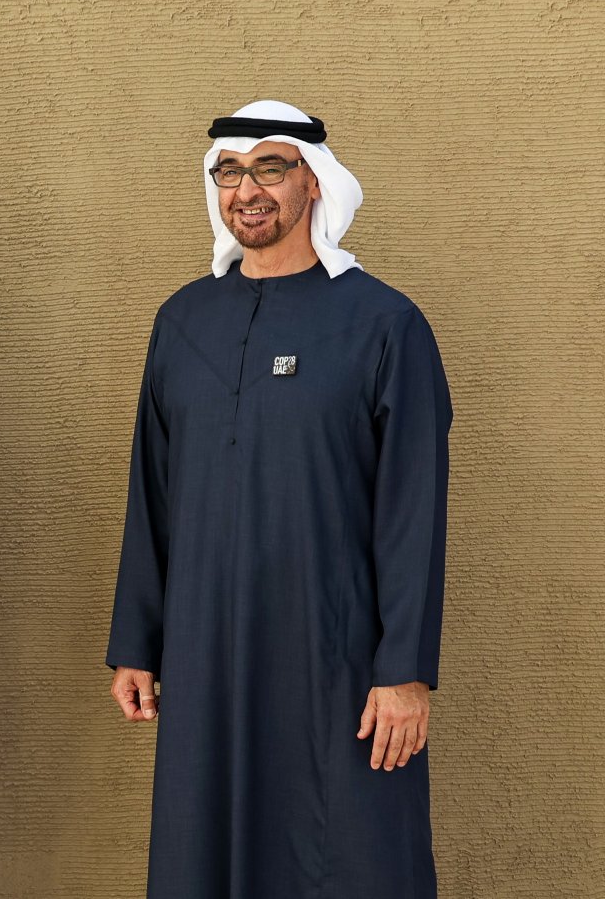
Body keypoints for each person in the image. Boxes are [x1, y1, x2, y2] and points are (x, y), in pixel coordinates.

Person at [106, 100, 452, 897]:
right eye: (229, 171)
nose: (247, 189)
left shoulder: (385, 325)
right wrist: (138, 640)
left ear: (314, 184)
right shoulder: (183, 321)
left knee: (353, 854)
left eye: (270, 167)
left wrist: (404, 670)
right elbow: (151, 489)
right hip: (204, 652)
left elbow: (412, 512)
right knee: (208, 848)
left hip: (341, 663)